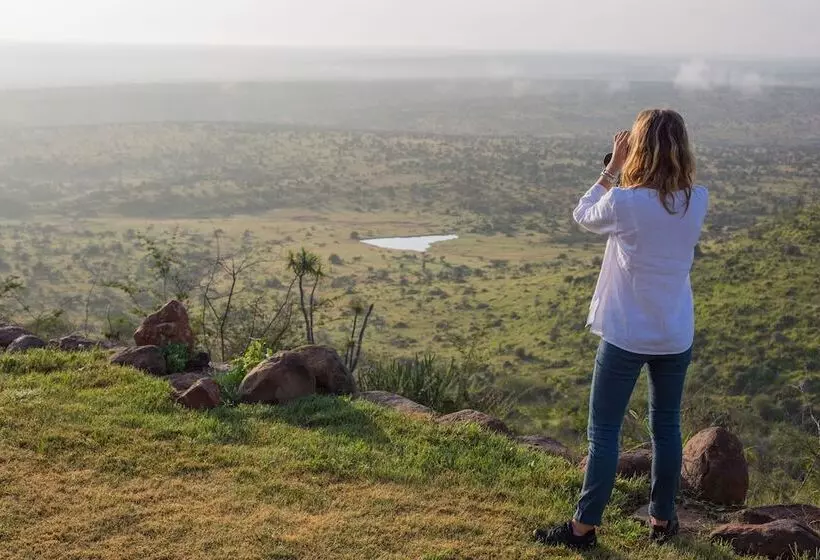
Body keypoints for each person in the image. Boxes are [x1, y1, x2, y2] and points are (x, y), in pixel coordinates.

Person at [534, 109, 709, 550]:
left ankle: (583, 528)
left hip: (628, 334)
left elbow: (583, 213)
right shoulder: (696, 199)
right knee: (667, 428)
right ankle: (662, 521)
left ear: (639, 148)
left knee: (605, 432)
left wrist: (612, 168)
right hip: (674, 334)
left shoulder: (626, 203)